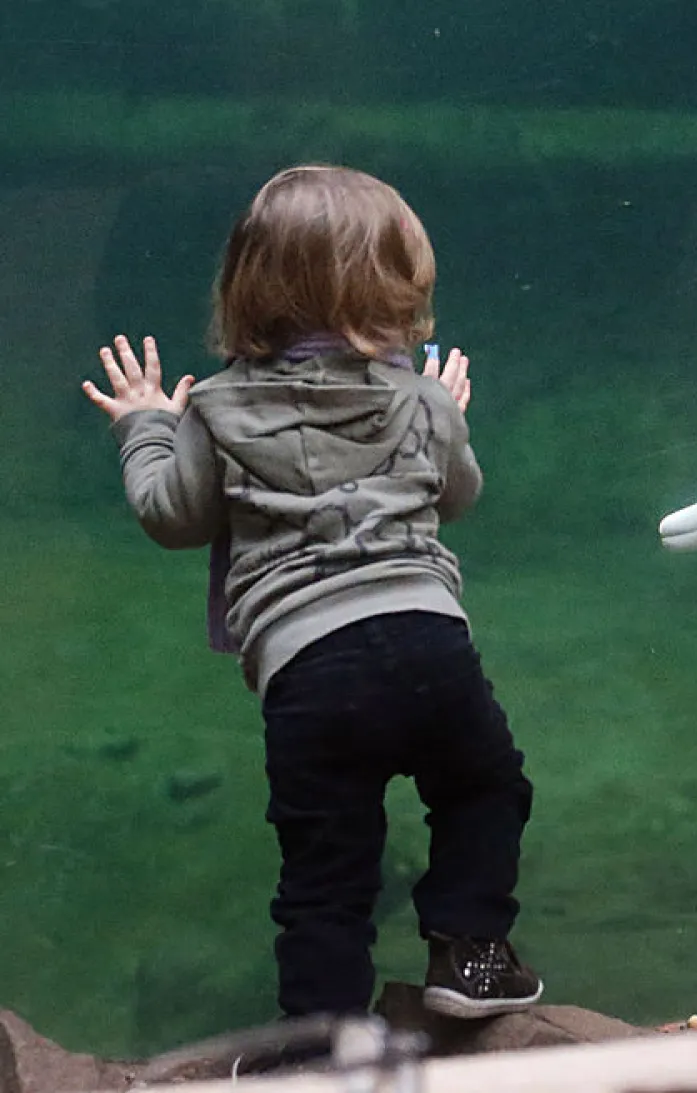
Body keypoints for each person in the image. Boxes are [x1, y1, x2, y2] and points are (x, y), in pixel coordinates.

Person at [81, 164, 542, 1023]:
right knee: (485, 787)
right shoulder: (420, 400)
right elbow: (458, 495)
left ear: (245, 289)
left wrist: (146, 425)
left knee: (327, 873)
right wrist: (446, 416)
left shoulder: (214, 410)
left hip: (311, 670)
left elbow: (170, 516)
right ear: (397, 289)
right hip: (429, 644)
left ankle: (324, 1045)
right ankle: (470, 950)